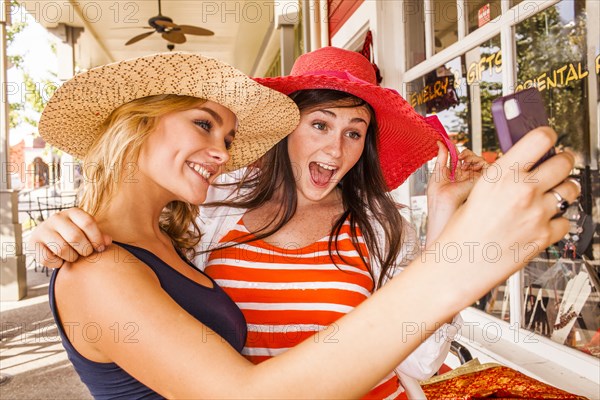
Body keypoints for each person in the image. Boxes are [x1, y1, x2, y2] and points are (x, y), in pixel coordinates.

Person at [33, 47, 578, 397]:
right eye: (318, 123)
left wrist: (444, 220)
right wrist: (463, 260)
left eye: (354, 132)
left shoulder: (379, 228)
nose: (219, 153)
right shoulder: (210, 209)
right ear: (286, 133)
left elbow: (420, 359)